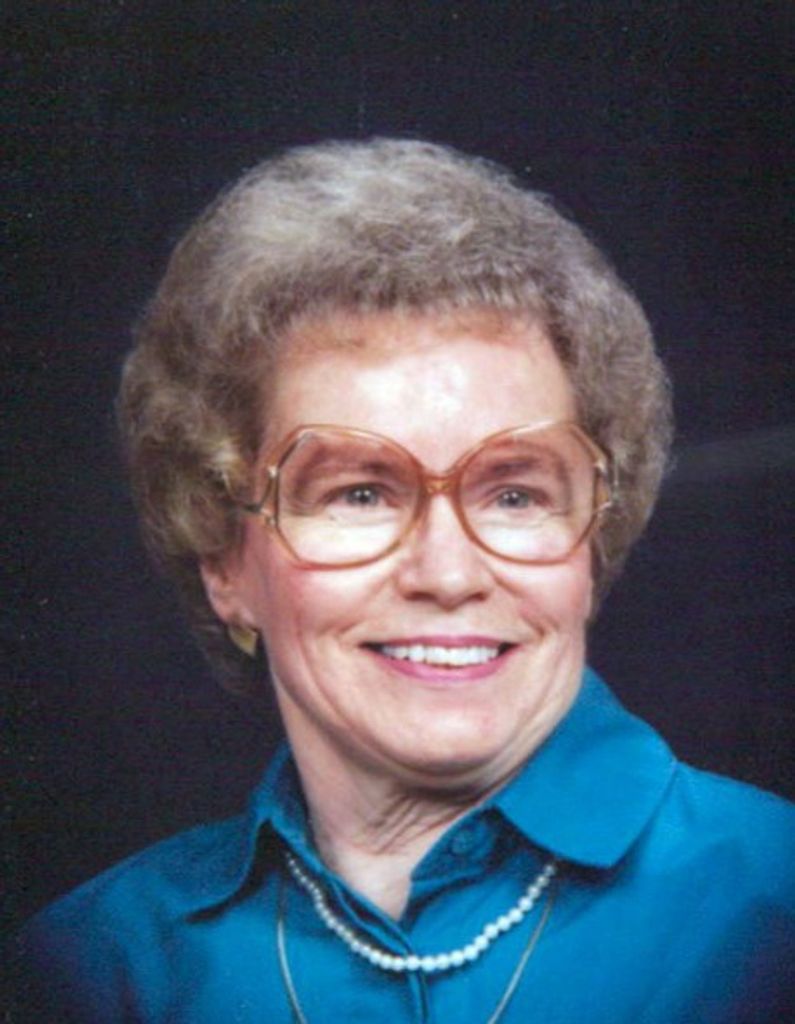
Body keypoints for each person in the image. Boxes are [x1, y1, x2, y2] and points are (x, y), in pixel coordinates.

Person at [10, 139, 795, 1023]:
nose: (447, 573)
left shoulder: (773, 907)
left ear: (590, 544)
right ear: (224, 560)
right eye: (358, 494)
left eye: (513, 494)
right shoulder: (94, 970)